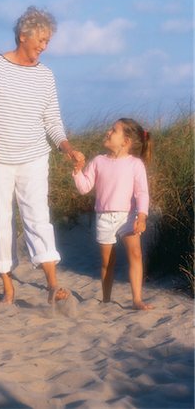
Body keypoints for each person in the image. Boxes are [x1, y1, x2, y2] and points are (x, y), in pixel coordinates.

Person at [0, 6, 85, 304]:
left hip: (35, 155)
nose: (44, 46)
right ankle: (8, 285)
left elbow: (52, 119)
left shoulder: (46, 76)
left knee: (38, 217)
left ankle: (52, 285)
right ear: (23, 35)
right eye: (41, 39)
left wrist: (67, 147)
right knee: (1, 220)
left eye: (47, 41)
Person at [72, 118, 153, 310]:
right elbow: (84, 187)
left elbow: (142, 192)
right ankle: (106, 299)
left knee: (135, 254)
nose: (108, 131)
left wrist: (142, 216)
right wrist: (77, 171)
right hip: (104, 218)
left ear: (126, 141)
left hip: (129, 217)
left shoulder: (135, 164)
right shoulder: (98, 161)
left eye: (114, 130)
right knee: (108, 262)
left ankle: (137, 299)